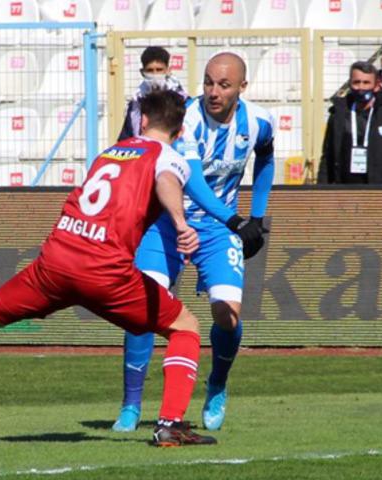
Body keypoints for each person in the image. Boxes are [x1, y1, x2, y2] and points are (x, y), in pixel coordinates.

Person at [0, 89, 217, 447]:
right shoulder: (168, 155)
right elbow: (166, 181)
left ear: (141, 120)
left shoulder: (110, 152)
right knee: (185, 326)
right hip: (104, 269)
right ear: (180, 130)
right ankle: (169, 424)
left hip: (57, 259)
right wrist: (181, 223)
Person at [113, 51, 275, 432]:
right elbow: (196, 183)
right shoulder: (185, 120)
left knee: (227, 313)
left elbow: (267, 158)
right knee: (142, 307)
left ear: (242, 87)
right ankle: (131, 404)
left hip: (217, 231)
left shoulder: (259, 122)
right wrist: (238, 220)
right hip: (169, 221)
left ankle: (217, 384)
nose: (213, 92)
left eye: (224, 85)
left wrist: (258, 216)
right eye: (207, 82)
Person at [317, 61, 382, 184]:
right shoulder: (338, 113)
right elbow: (327, 157)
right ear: (350, 84)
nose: (361, 88)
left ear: (376, 85)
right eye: (356, 82)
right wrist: (322, 189)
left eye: (366, 82)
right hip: (345, 188)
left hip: (380, 189)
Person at [118, 46, 188, 141]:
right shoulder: (136, 103)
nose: (155, 75)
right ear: (142, 72)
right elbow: (126, 138)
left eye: (159, 70)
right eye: (150, 70)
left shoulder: (182, 101)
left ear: (168, 70)